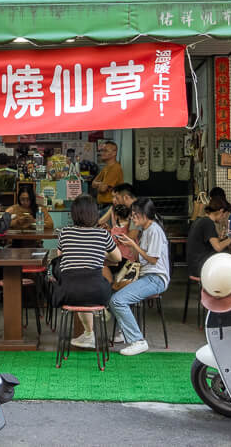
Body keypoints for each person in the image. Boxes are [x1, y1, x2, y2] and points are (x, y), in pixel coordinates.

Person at [51, 194, 121, 349]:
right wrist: (99, 254)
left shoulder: (65, 233)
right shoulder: (103, 234)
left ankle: (89, 335)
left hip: (68, 291)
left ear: (74, 214)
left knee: (79, 288)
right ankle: (89, 334)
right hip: (97, 292)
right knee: (88, 287)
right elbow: (117, 257)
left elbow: (60, 259)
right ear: (95, 213)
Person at [109, 198, 170, 356]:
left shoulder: (154, 230)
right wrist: (131, 245)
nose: (132, 218)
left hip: (155, 278)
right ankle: (127, 332)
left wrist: (133, 245)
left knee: (117, 300)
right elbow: (141, 258)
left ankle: (137, 340)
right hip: (147, 275)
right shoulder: (147, 230)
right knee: (115, 296)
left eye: (135, 215)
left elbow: (153, 259)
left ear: (144, 215)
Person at [187, 201, 231, 275]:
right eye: (226, 215)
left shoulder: (200, 220)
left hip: (194, 264)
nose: (224, 219)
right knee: (228, 254)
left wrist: (223, 239)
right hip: (200, 266)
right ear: (221, 211)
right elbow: (218, 247)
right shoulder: (208, 223)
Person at [91, 141, 123, 206]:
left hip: (110, 205)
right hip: (103, 206)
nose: (102, 153)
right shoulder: (106, 168)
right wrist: (101, 184)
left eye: (105, 151)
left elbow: (102, 189)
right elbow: (93, 184)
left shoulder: (115, 168)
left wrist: (100, 185)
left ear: (114, 153)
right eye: (102, 150)